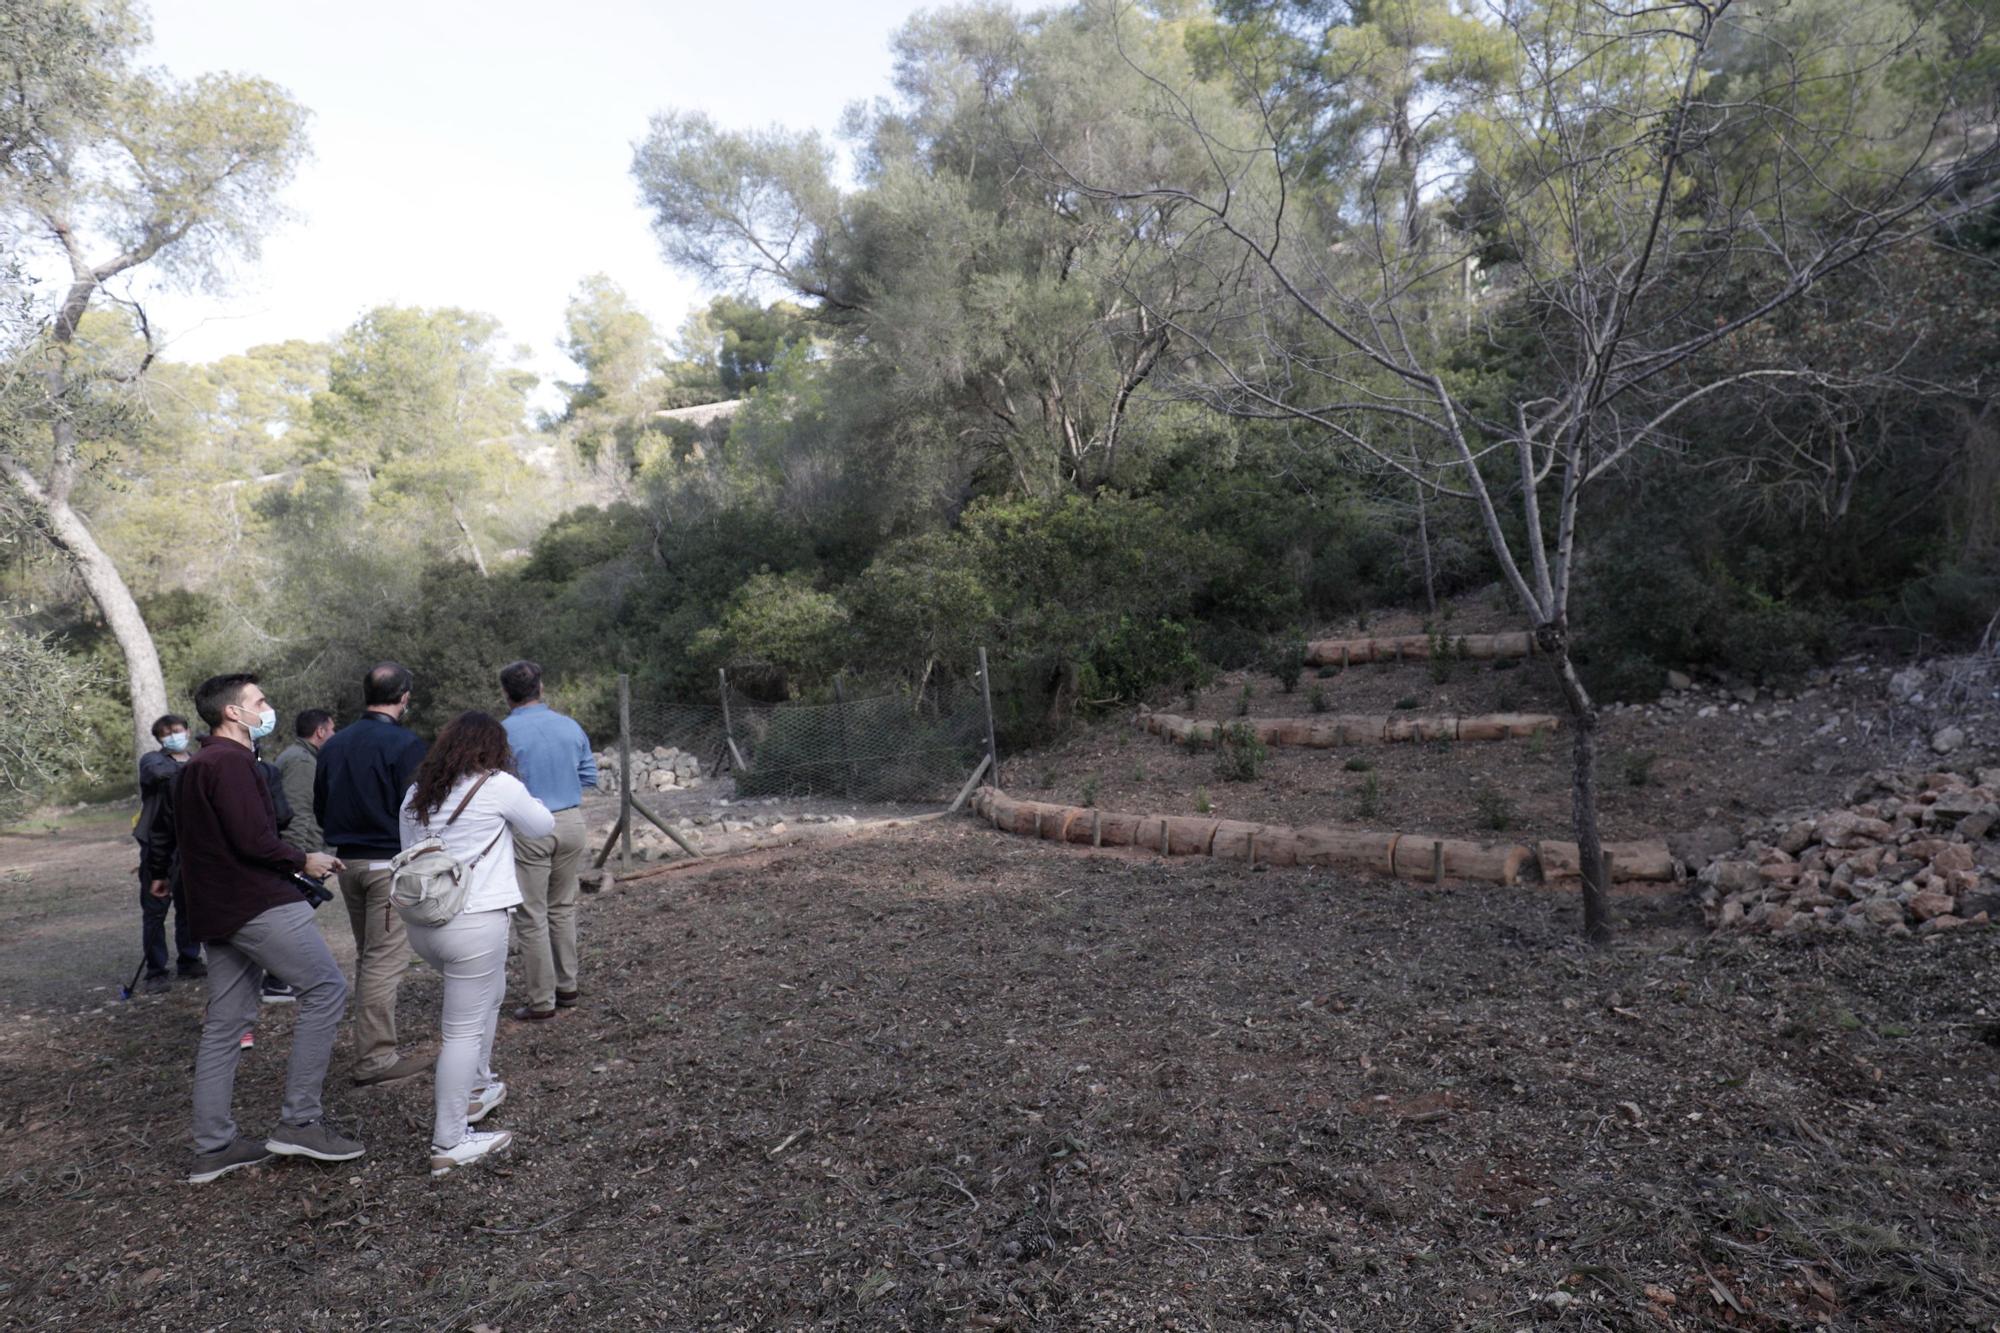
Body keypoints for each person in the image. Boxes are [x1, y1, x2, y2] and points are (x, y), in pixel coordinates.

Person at [177, 673, 359, 1183]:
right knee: (325, 990)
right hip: (256, 904)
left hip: (218, 909)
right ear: (233, 713)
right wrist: (308, 858)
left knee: (225, 1024)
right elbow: (254, 841)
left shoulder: (198, 765)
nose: (268, 707)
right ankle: (300, 1121)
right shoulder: (230, 764)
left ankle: (213, 1147)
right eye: (259, 702)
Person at [397, 711, 552, 1176]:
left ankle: (480, 1086)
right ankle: (450, 1138)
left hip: (425, 922)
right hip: (474, 920)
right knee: (461, 1029)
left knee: (489, 995)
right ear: (494, 747)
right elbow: (541, 826)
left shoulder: (417, 793)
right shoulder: (497, 785)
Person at [314, 663, 429, 1085]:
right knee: (384, 960)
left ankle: (370, 1045)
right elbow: (419, 809)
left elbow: (321, 804)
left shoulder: (333, 745)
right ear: (404, 697)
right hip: (387, 865)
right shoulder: (406, 744)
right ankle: (375, 1059)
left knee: (369, 956)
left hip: (348, 863)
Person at [498, 660, 596, 1020]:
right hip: (571, 821)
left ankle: (542, 1001)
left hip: (529, 825)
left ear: (506, 694)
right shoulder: (570, 726)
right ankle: (567, 986)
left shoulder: (502, 732)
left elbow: (496, 782)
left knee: (531, 914)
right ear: (541, 688)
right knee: (562, 906)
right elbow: (589, 774)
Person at [135, 713, 202, 991]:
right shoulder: (152, 761)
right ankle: (155, 970)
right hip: (157, 847)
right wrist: (193, 773)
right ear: (159, 739)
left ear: (187, 731)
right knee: (155, 910)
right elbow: (158, 774)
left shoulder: (198, 759)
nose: (173, 736)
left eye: (177, 730)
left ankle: (189, 959)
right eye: (166, 733)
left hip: (191, 846)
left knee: (189, 907)